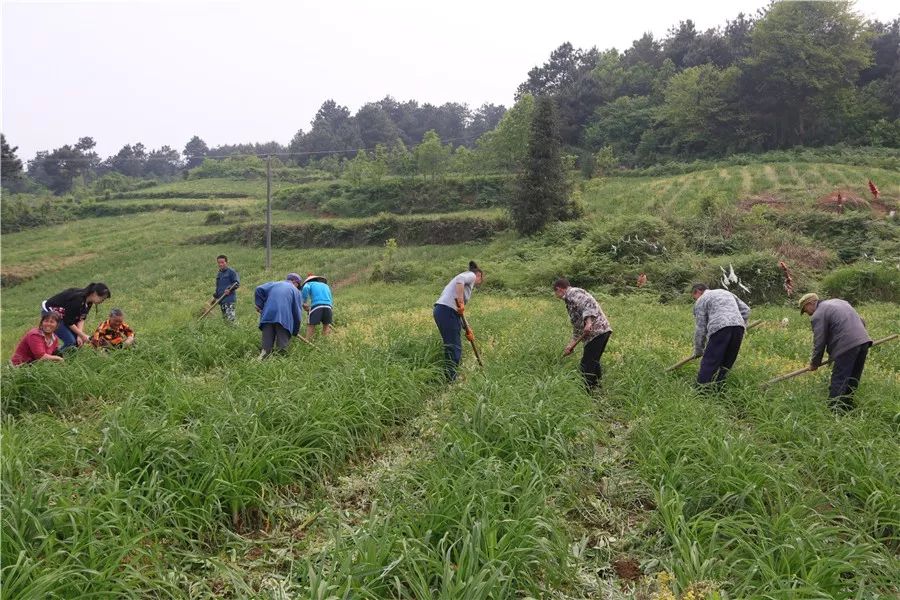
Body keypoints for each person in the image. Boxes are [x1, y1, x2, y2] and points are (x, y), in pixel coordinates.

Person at [798, 293, 872, 412]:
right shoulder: (840, 302)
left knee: (839, 379)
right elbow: (861, 321)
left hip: (846, 346)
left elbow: (819, 341)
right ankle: (847, 407)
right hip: (863, 341)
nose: (807, 313)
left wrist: (814, 363)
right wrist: (858, 340)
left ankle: (834, 412)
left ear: (810, 303)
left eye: (805, 310)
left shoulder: (818, 314)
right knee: (853, 378)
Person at [553, 278, 613, 391]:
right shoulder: (569, 301)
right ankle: (597, 390)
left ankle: (588, 393)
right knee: (593, 362)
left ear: (559, 289)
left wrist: (589, 322)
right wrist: (570, 345)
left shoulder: (573, 293)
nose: (556, 295)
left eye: (555, 292)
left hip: (597, 331)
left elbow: (588, 303)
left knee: (586, 365)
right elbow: (577, 327)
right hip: (601, 332)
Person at [690, 283, 750, 386]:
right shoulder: (725, 292)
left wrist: (699, 350)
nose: (695, 300)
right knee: (727, 362)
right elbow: (746, 310)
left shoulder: (701, 300)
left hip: (719, 328)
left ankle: (701, 392)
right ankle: (719, 389)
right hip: (738, 327)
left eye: (694, 297)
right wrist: (739, 323)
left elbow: (700, 328)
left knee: (710, 361)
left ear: (698, 292)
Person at [433, 261, 483, 381]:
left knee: (451, 345)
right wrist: (461, 301)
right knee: (454, 346)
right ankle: (451, 378)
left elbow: (459, 311)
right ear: (479, 275)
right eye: (481, 279)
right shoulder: (471, 275)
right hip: (447, 311)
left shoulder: (463, 285)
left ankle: (449, 375)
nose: (480, 282)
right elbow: (460, 279)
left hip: (443, 311)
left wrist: (467, 329)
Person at [42, 283, 111, 351]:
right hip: (51, 313)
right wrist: (82, 335)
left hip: (64, 316)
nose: (103, 301)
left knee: (78, 342)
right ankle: (53, 358)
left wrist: (80, 335)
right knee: (71, 341)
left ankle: (63, 355)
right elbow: (68, 322)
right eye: (103, 298)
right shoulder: (77, 300)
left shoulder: (89, 301)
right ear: (95, 293)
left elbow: (82, 318)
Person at [255, 273, 304, 358]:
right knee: (282, 349)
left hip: (268, 315)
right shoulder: (296, 291)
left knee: (266, 348)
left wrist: (260, 305)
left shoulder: (274, 284)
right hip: (284, 319)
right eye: (298, 286)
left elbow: (258, 289)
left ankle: (263, 361)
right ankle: (279, 362)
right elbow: (297, 313)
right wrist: (295, 331)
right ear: (296, 283)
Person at [301, 274, 333, 339]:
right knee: (326, 325)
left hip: (317, 306)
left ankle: (308, 342)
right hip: (328, 307)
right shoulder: (326, 286)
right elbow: (330, 297)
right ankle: (325, 341)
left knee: (311, 325)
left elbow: (305, 288)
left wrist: (303, 301)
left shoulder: (309, 284)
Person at [214, 255, 240, 323]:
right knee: (225, 321)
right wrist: (215, 297)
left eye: (222, 262)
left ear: (226, 262)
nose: (220, 264)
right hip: (221, 300)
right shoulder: (219, 274)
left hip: (229, 300)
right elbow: (218, 287)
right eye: (219, 263)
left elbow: (236, 283)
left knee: (231, 320)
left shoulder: (231, 272)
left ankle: (234, 332)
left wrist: (229, 289)